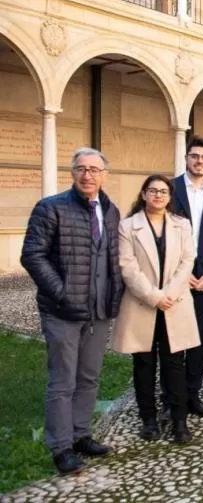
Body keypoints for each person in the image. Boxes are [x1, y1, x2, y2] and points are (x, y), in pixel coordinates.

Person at [20, 148, 124, 475]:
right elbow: (32, 255)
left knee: (89, 377)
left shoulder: (110, 210)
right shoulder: (51, 208)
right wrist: (61, 291)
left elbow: (112, 257)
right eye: (81, 168)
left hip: (99, 310)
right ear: (72, 172)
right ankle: (61, 447)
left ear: (104, 175)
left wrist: (114, 295)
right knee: (62, 381)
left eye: (94, 169)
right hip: (62, 311)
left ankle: (81, 435)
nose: (88, 175)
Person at [113, 175, 199, 444]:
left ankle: (179, 420)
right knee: (144, 364)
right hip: (143, 303)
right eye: (153, 190)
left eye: (163, 191)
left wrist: (169, 294)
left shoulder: (181, 224)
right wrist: (154, 297)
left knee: (175, 364)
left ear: (170, 196)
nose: (158, 195)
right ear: (143, 194)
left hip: (174, 303)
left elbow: (188, 260)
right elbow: (127, 266)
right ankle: (148, 419)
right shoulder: (128, 226)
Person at [168, 136, 203, 417]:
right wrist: (182, 272)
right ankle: (172, 399)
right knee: (174, 341)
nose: (199, 161)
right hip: (175, 277)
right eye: (195, 156)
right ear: (186, 158)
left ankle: (193, 395)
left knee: (199, 339)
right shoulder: (169, 189)